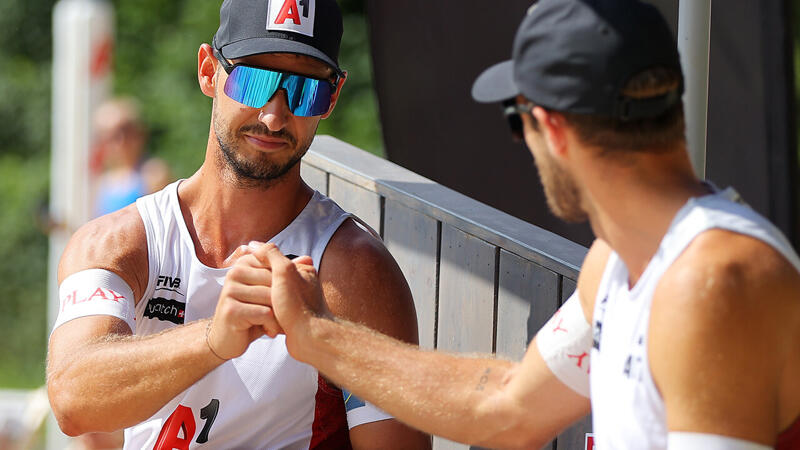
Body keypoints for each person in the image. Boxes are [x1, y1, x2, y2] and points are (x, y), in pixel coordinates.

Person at [256, 1, 800, 449]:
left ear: (552, 128)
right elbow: (506, 408)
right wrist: (318, 334)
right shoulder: (621, 262)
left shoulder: (712, 282)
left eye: (518, 123)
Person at [46, 0, 430, 448]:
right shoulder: (117, 243)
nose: (274, 115)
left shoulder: (355, 270)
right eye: (255, 80)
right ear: (209, 71)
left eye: (307, 92)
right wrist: (215, 338)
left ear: (334, 96)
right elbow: (73, 399)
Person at [91, 97, 171, 217]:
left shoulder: (154, 174)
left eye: (126, 131)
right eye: (112, 136)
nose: (121, 141)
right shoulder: (104, 183)